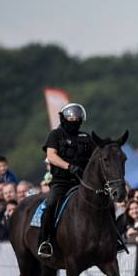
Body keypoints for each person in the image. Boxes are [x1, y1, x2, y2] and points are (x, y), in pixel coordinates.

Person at [37, 103, 94, 258]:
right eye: (71, 117)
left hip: (82, 182)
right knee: (51, 204)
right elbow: (51, 156)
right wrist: (69, 167)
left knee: (104, 201)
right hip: (61, 182)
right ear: (63, 118)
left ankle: (113, 239)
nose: (74, 119)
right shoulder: (55, 135)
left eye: (77, 117)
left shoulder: (86, 138)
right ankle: (45, 241)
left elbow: (96, 158)